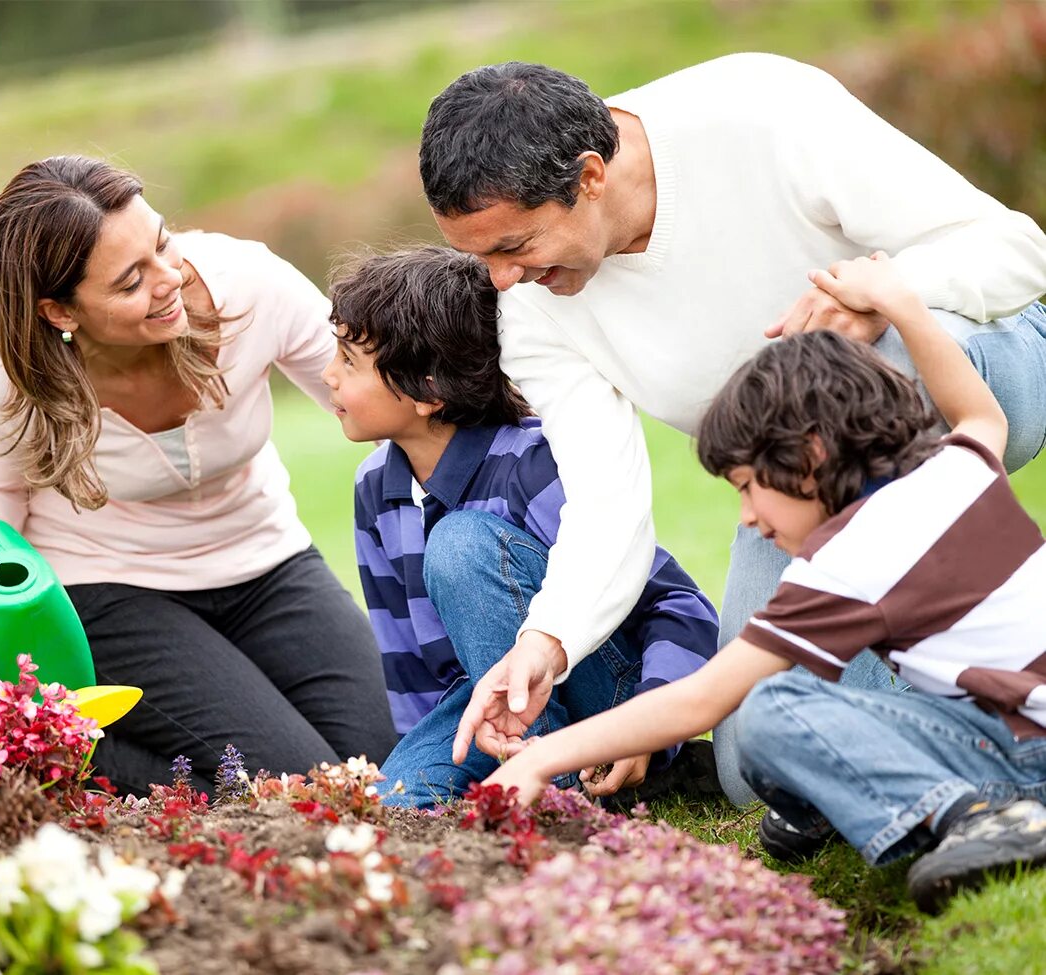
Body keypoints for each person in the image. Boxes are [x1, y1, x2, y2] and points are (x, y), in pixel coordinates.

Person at [419, 54, 1046, 805]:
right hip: (792, 482)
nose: (500, 280)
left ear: (590, 177)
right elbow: (605, 497)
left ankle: (972, 765)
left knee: (886, 363)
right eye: (478, 256)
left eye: (514, 247)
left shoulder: (761, 111)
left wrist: (887, 296)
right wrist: (546, 640)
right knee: (755, 772)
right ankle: (951, 742)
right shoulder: (532, 309)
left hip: (972, 366)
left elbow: (1016, 250)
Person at [479, 252, 1046, 913]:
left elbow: (701, 702)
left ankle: (982, 819)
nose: (748, 517)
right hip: (1012, 721)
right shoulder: (957, 465)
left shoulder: (854, 553)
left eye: (749, 487)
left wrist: (542, 757)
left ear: (810, 456)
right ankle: (843, 803)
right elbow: (979, 412)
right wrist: (901, 303)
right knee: (806, 701)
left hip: (1025, 756)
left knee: (773, 712)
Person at [0, 155, 396, 796]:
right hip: (110, 589)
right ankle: (64, 753)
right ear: (59, 313)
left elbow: (371, 392)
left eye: (163, 245)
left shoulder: (248, 285)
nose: (168, 281)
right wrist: (0, 634)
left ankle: (120, 758)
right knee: (299, 787)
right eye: (131, 281)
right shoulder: (8, 379)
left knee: (386, 767)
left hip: (266, 563)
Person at [321, 246, 719, 808]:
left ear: (428, 391)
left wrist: (648, 723)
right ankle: (528, 786)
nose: (327, 376)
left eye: (349, 361)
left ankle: (557, 797)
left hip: (605, 703)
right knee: (391, 807)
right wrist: (422, 751)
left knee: (460, 543)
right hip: (483, 713)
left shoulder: (532, 465)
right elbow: (410, 664)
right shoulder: (375, 490)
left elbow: (681, 607)